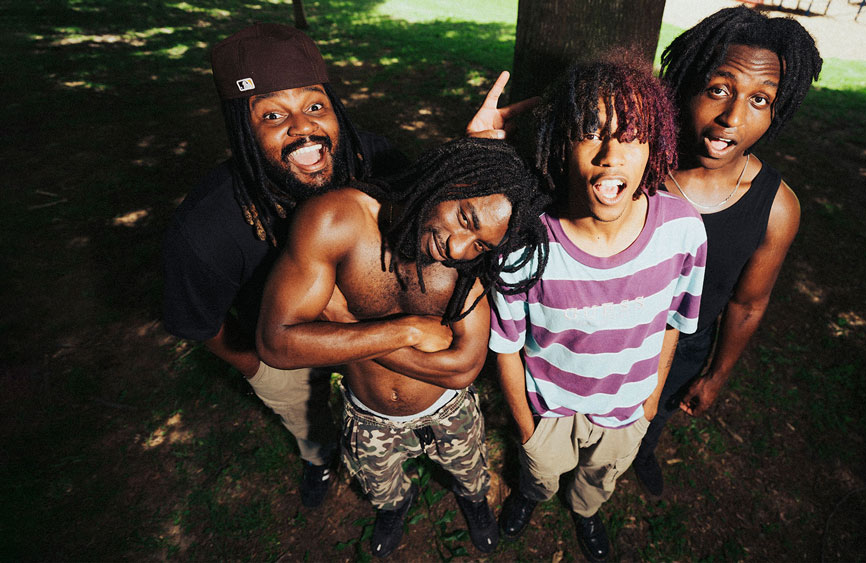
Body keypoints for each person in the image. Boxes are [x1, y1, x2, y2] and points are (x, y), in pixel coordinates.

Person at [162, 22, 530, 509]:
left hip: (361, 328)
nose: (302, 127)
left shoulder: (373, 158)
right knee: (309, 421)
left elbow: (432, 200)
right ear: (242, 131)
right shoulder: (205, 226)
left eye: (315, 106)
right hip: (275, 341)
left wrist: (472, 151)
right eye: (272, 115)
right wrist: (255, 363)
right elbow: (198, 322)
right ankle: (319, 460)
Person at [255, 137, 549, 558]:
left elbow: (463, 368)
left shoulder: (467, 267)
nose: (458, 248)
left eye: (481, 245)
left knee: (470, 473)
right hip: (368, 414)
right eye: (465, 218)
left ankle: (473, 502)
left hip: (448, 410)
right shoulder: (338, 220)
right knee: (382, 488)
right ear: (446, 180)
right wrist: (408, 331)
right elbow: (276, 343)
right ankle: (394, 508)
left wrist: (345, 326)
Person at [489, 57, 708, 562]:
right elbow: (506, 346)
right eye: (591, 133)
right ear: (561, 144)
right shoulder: (526, 243)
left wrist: (649, 405)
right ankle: (531, 495)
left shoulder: (683, 230)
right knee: (541, 474)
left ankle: (585, 511)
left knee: (598, 481)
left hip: (627, 413)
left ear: (655, 147)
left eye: (632, 136)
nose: (612, 155)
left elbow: (675, 323)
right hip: (546, 412)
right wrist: (527, 430)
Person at [632, 6, 823, 497]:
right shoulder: (635, 165)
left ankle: (643, 452)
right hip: (608, 327)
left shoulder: (776, 208)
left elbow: (748, 303)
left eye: (760, 99)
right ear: (686, 85)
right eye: (718, 89)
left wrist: (716, 375)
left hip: (687, 344)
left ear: (778, 110)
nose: (732, 118)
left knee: (654, 418)